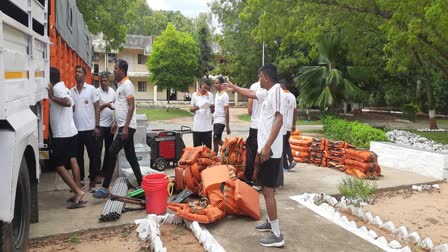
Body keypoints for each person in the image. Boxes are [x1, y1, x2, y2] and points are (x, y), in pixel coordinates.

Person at [224, 64, 286, 247]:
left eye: (260, 76)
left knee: (267, 191)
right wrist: (235, 88)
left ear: (265, 77)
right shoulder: (268, 93)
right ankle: (271, 221)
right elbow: (251, 94)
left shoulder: (276, 93)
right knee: (268, 189)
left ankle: (277, 235)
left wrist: (266, 146)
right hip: (267, 150)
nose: (258, 79)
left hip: (271, 151)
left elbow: (279, 119)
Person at [93, 59, 143, 199]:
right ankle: (141, 182)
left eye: (115, 68)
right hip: (122, 126)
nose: (114, 70)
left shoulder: (127, 84)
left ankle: (105, 188)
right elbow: (120, 107)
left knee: (112, 151)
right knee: (130, 155)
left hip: (127, 127)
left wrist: (125, 127)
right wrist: (116, 122)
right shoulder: (120, 86)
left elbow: (131, 106)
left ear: (122, 70)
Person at [47, 67, 86, 209]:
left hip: (62, 134)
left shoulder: (57, 89)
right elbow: (72, 107)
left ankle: (77, 191)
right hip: (71, 131)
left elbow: (68, 102)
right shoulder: (63, 87)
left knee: (58, 165)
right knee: (73, 160)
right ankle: (77, 194)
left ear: (50, 78)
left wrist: (52, 98)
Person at [70, 65, 101, 192]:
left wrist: (97, 126)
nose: (77, 74)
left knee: (93, 156)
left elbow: (97, 107)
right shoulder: (71, 91)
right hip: (76, 130)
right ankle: (80, 180)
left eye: (79, 72)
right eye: (75, 72)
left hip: (90, 129)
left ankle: (92, 181)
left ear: (85, 74)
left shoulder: (92, 89)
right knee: (78, 157)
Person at [245, 70, 263, 185]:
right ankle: (260, 178)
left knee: (251, 153)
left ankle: (249, 178)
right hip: (265, 127)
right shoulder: (271, 89)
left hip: (255, 125)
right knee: (262, 152)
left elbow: (250, 109)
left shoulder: (254, 86)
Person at [96, 72, 116, 177]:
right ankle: (97, 171)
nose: (104, 82)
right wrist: (106, 105)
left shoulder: (113, 91)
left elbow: (116, 107)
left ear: (109, 81)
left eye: (105, 81)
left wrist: (115, 121)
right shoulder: (97, 92)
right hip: (100, 125)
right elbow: (96, 108)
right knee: (98, 150)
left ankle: (105, 171)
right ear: (100, 81)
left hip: (110, 125)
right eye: (102, 81)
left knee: (109, 149)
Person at [190, 81, 215, 149]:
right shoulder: (194, 95)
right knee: (197, 150)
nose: (205, 90)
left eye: (207, 88)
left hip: (207, 128)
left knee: (207, 150)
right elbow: (191, 109)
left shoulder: (210, 95)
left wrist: (212, 108)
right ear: (200, 87)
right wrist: (195, 108)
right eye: (204, 87)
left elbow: (212, 111)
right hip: (197, 127)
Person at [280, 81, 298, 170]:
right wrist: (294, 124)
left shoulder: (281, 95)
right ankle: (291, 160)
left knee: (282, 145)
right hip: (289, 123)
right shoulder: (292, 96)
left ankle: (285, 165)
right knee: (285, 143)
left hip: (281, 124)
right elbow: (295, 111)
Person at [213, 77, 231, 153]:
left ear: (221, 84)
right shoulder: (217, 94)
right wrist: (213, 117)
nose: (215, 85)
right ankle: (228, 150)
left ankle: (215, 156)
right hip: (216, 120)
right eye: (215, 83)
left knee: (215, 139)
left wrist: (227, 125)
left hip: (221, 120)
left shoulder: (225, 95)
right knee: (216, 139)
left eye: (217, 83)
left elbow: (227, 111)